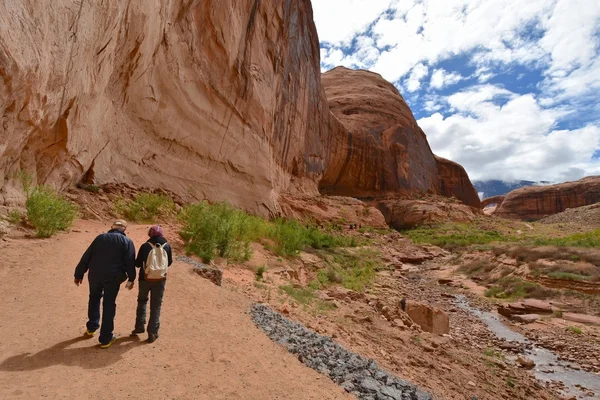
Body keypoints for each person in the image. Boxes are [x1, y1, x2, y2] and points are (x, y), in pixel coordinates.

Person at [74, 220, 136, 348]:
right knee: (109, 303)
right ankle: (106, 338)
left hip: (95, 275)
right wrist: (131, 278)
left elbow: (87, 256)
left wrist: (79, 274)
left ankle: (91, 327)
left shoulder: (100, 238)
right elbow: (130, 261)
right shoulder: (127, 242)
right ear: (124, 229)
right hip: (113, 278)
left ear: (112, 227)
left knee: (94, 298)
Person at [131, 225, 173, 343]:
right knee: (156, 305)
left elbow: (138, 263)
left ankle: (139, 327)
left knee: (142, 301)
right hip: (160, 280)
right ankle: (153, 333)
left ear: (150, 234)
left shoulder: (145, 246)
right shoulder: (167, 246)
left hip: (144, 279)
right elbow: (169, 263)